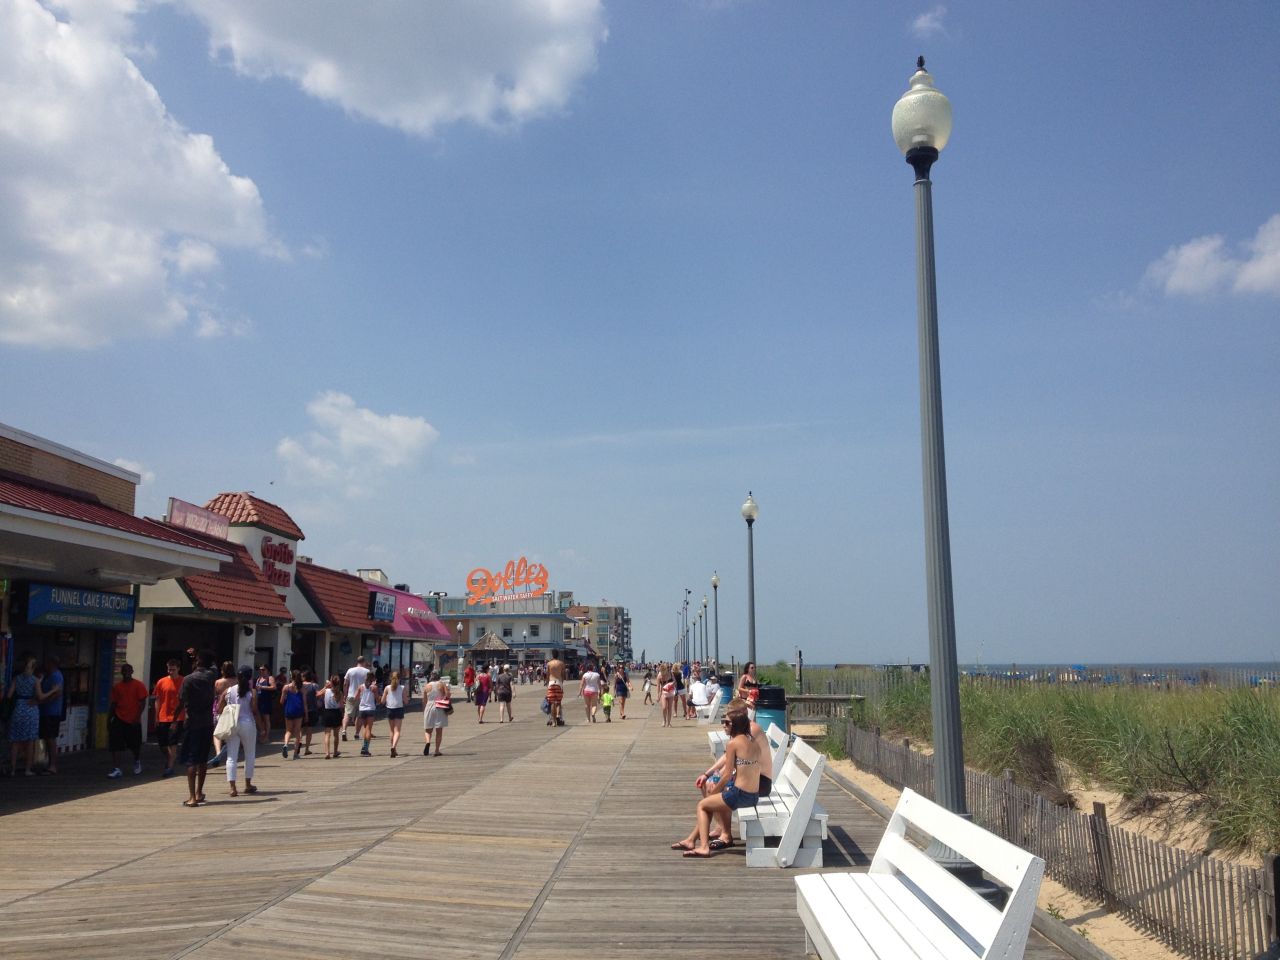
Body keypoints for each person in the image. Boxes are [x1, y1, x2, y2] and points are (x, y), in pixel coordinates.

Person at [671, 709, 764, 857]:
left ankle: (703, 847)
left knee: (703, 805)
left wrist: (714, 792)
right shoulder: (753, 742)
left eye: (727, 723)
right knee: (711, 803)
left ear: (736, 725)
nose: (724, 726)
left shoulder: (733, 743)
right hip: (753, 795)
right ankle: (691, 840)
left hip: (740, 794)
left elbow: (727, 775)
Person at [177, 650, 217, 806]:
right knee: (202, 759)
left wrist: (174, 719)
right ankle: (200, 792)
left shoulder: (188, 679)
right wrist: (198, 657)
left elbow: (181, 701)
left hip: (192, 723)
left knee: (191, 760)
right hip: (207, 722)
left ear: (198, 663)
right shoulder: (211, 676)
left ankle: (192, 797)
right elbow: (214, 665)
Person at [219, 666, 263, 797]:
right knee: (250, 754)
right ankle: (248, 784)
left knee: (231, 756)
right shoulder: (252, 692)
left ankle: (232, 787)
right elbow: (254, 711)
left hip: (232, 723)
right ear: (250, 677)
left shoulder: (228, 691)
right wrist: (262, 729)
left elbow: (219, 708)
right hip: (247, 723)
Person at [5, 654, 46, 777]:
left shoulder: (16, 679)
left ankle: (12, 769)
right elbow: (40, 696)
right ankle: (27, 769)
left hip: (18, 709)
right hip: (31, 710)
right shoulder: (35, 680)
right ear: (34, 668)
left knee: (15, 742)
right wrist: (53, 691)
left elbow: (9, 695)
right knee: (30, 741)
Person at [107, 663, 149, 778]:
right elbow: (114, 704)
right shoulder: (117, 687)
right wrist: (109, 718)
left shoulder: (138, 685)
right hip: (118, 718)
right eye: (124, 671)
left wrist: (137, 717)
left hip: (133, 720)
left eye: (128, 670)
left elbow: (143, 702)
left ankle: (136, 761)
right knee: (115, 745)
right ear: (121, 672)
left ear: (132, 671)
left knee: (135, 745)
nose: (126, 673)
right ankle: (117, 768)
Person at [151, 658, 184, 778]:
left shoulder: (183, 681)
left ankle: (169, 766)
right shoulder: (161, 682)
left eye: (173, 670)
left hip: (178, 716)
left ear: (178, 669)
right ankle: (171, 758)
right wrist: (156, 716)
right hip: (163, 716)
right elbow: (157, 699)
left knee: (173, 742)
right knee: (162, 744)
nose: (170, 672)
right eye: (169, 669)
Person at [38, 655, 64, 774]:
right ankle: (49, 763)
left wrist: (42, 701)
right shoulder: (49, 676)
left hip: (51, 712)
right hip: (46, 711)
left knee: (50, 738)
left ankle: (53, 765)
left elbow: (57, 693)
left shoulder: (55, 676)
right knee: (47, 738)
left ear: (51, 663)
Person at [208, 660, 237, 767]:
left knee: (217, 733)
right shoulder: (237, 681)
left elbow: (213, 696)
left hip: (219, 709)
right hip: (233, 710)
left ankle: (218, 752)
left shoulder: (218, 682)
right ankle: (229, 756)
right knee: (231, 734)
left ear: (222, 670)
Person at [279, 670, 307, 760]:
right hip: (298, 711)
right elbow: (304, 702)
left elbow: (281, 701)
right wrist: (306, 714)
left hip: (289, 710)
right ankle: (295, 753)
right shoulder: (302, 688)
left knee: (288, 730)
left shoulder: (286, 687)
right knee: (297, 732)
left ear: (292, 677)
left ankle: (286, 744)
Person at [341, 656, 370, 742]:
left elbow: (345, 684)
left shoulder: (350, 670)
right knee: (359, 715)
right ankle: (357, 733)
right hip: (362, 696)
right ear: (364, 662)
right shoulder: (367, 671)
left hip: (351, 695)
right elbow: (369, 685)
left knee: (347, 714)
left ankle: (344, 731)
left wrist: (345, 695)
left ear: (357, 661)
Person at [421, 671, 449, 757]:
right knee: (439, 730)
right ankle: (436, 750)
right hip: (439, 705)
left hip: (429, 706)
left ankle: (428, 742)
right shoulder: (441, 684)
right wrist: (443, 699)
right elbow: (447, 694)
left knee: (428, 729)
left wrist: (424, 710)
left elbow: (424, 700)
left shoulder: (427, 686)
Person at [379, 670, 405, 757]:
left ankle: (393, 747)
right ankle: (394, 747)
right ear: (399, 678)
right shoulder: (402, 688)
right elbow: (406, 701)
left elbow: (382, 701)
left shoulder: (387, 688)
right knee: (397, 731)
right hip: (399, 709)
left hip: (390, 709)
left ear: (391, 678)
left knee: (391, 730)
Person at [319, 674, 343, 759]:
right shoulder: (340, 692)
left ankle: (327, 753)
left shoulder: (326, 690)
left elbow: (317, 694)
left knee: (327, 734)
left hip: (327, 713)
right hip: (336, 713)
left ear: (331, 682)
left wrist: (325, 687)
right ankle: (335, 752)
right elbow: (341, 706)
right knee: (336, 735)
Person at [356, 671, 379, 756]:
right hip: (370, 709)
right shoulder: (374, 688)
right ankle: (365, 748)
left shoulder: (360, 687)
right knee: (369, 729)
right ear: (373, 679)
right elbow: (378, 700)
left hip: (362, 709)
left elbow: (356, 697)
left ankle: (364, 746)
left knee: (365, 728)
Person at [254, 664, 277, 742]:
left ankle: (266, 736)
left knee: (266, 719)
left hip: (266, 700)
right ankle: (262, 733)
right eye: (260, 669)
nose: (261, 671)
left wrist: (262, 687)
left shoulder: (270, 678)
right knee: (258, 717)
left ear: (268, 670)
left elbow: (274, 687)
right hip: (259, 700)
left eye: (263, 669)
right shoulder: (259, 678)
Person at [545, 656, 565, 726]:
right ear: (558, 655)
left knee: (552, 702)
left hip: (551, 683)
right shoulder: (561, 663)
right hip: (559, 683)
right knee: (558, 702)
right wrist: (561, 683)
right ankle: (558, 716)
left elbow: (547, 675)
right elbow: (563, 675)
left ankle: (553, 722)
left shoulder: (549, 664)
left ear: (552, 655)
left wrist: (547, 683)